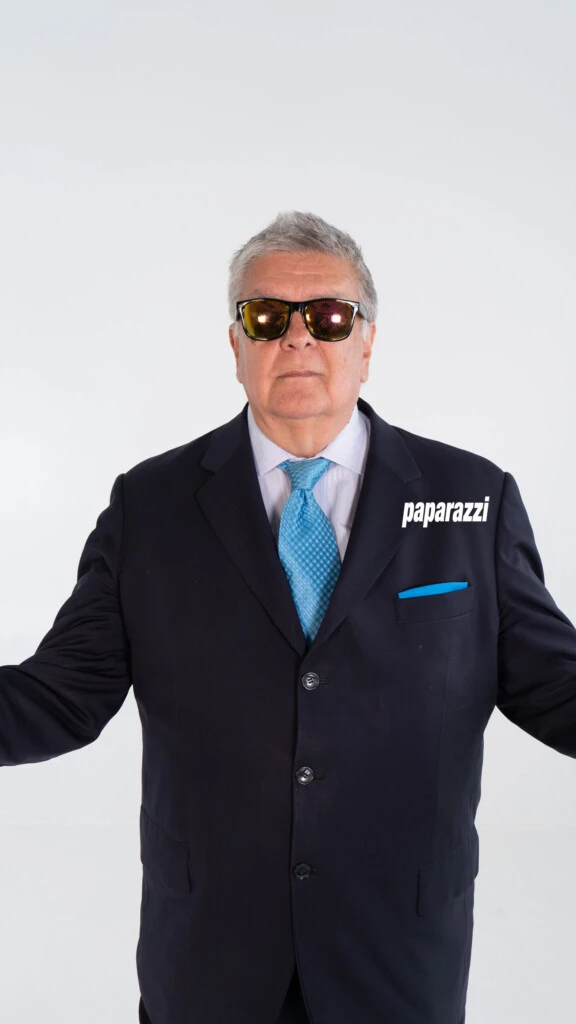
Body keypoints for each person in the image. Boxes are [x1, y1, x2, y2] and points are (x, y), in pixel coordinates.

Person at [1, 210, 575, 1024]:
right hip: (210, 957)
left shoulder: (472, 499)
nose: (298, 336)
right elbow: (61, 696)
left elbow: (555, 686)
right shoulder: (150, 506)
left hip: (398, 952)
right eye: (268, 316)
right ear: (236, 344)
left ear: (366, 343)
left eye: (329, 316)